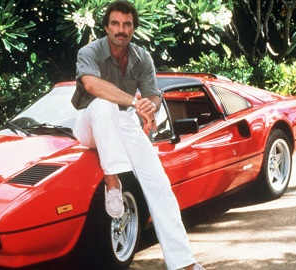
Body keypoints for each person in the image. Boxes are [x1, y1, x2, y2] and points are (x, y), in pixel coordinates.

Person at [71, 1, 204, 270]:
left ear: (133, 28)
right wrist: (134, 102)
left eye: (127, 24)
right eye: (116, 24)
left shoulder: (142, 57)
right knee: (105, 104)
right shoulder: (90, 51)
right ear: (106, 26)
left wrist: (148, 107)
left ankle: (184, 263)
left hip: (122, 121)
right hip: (88, 123)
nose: (121, 30)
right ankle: (112, 181)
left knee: (159, 183)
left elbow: (153, 95)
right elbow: (91, 84)